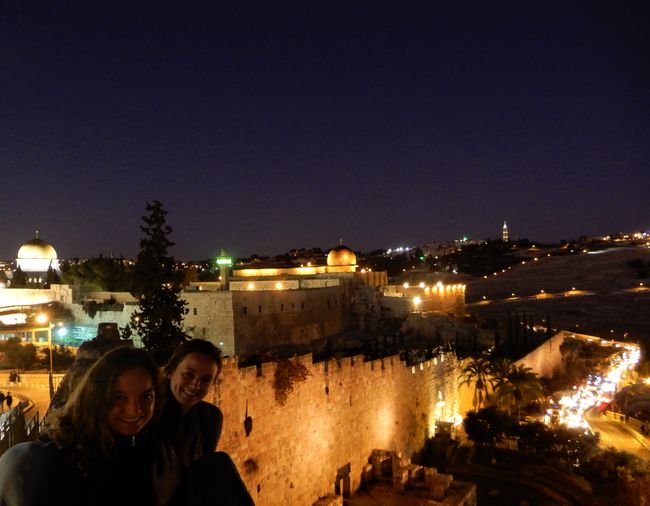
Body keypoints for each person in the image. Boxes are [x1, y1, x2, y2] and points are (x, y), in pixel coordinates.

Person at [0, 346, 178, 506]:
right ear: (96, 397)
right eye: (119, 397)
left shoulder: (144, 444)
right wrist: (162, 499)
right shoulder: (62, 460)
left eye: (146, 397)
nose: (135, 409)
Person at [161, 339, 254, 505]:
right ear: (170, 371)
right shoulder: (148, 412)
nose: (196, 384)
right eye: (188, 374)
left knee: (218, 462)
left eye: (205, 379)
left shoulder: (210, 417)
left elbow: (204, 475)